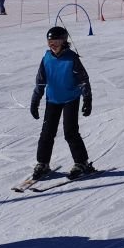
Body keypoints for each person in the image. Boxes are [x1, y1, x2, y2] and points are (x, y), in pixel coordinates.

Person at [28, 26, 95, 181]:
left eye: (56, 41)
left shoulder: (72, 58)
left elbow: (83, 80)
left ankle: (81, 162)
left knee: (70, 132)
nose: (53, 44)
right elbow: (40, 82)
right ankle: (43, 163)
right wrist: (35, 100)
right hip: (52, 99)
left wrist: (87, 99)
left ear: (64, 41)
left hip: (71, 98)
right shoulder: (46, 58)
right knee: (47, 133)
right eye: (50, 41)